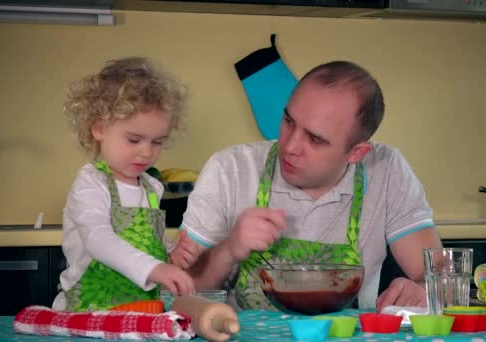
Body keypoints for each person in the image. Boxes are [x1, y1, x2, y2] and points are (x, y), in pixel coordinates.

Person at [171, 60, 442, 311]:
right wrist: (229, 249)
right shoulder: (229, 169)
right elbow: (181, 291)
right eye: (288, 121)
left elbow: (438, 275)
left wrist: (421, 289)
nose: (290, 146)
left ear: (356, 153)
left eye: (314, 139)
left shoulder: (387, 169)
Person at [52, 57, 194, 312]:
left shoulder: (152, 188)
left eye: (157, 142)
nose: (146, 152)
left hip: (141, 313)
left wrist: (171, 254)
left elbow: (150, 245)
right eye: (134, 139)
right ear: (99, 129)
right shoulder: (92, 183)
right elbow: (98, 239)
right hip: (88, 312)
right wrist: (155, 269)